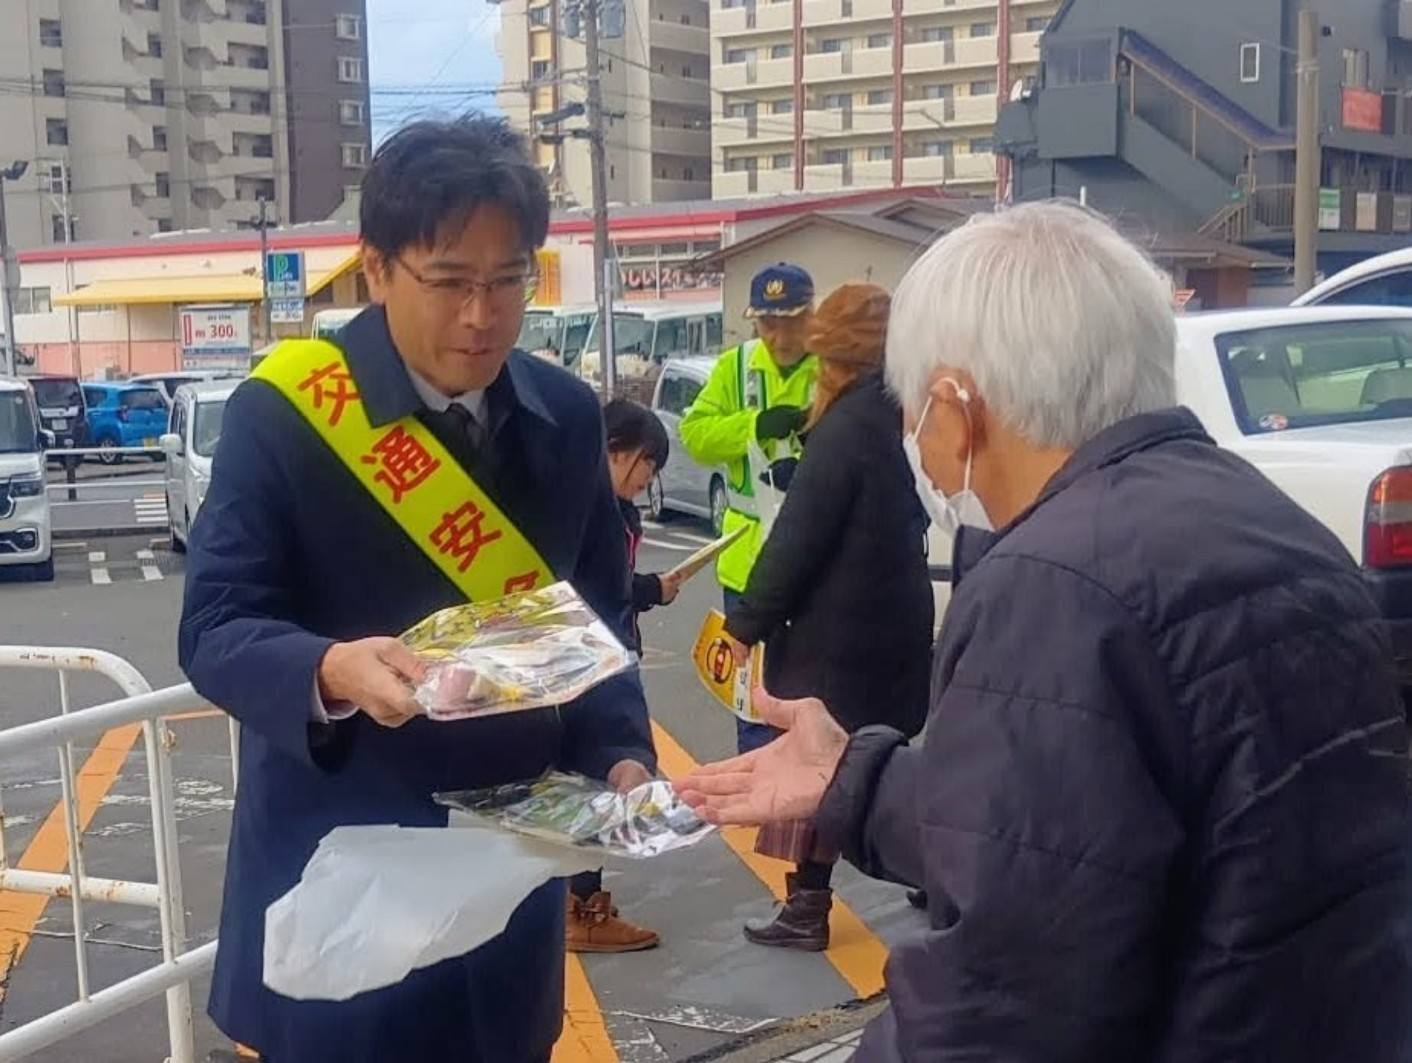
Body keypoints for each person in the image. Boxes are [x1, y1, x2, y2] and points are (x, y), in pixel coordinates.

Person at [679, 201, 1411, 1061]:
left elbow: (1001, 1002)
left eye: (915, 408)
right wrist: (859, 779)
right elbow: (1088, 834)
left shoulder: (1052, 584)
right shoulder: (1276, 522)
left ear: (955, 404)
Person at [179, 115, 656, 1063]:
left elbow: (598, 625)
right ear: (377, 268)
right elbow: (215, 627)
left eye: (507, 279)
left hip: (503, 899)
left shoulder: (564, 417)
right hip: (341, 886)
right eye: (449, 282)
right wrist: (327, 667)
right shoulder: (286, 415)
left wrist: (623, 758)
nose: (482, 316)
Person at [722, 283, 933, 952]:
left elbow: (796, 540)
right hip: (897, 617)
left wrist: (745, 623)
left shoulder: (843, 429)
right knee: (883, 757)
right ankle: (936, 876)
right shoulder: (908, 414)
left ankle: (807, 908)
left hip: (837, 634)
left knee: (826, 769)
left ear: (836, 359)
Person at [680, 263, 819, 754]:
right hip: (746, 563)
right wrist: (756, 426)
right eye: (767, 323)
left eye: (792, 320)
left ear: (813, 316)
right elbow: (694, 434)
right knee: (751, 697)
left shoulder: (832, 366)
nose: (780, 335)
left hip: (815, 562)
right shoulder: (735, 367)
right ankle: (761, 816)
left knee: (812, 695)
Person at [566, 398, 682, 954]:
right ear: (616, 452)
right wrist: (653, 590)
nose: (647, 480)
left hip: (601, 657)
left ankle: (576, 901)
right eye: (646, 466)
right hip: (591, 665)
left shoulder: (607, 509)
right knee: (597, 780)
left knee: (591, 781)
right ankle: (582, 907)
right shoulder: (594, 515)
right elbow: (604, 590)